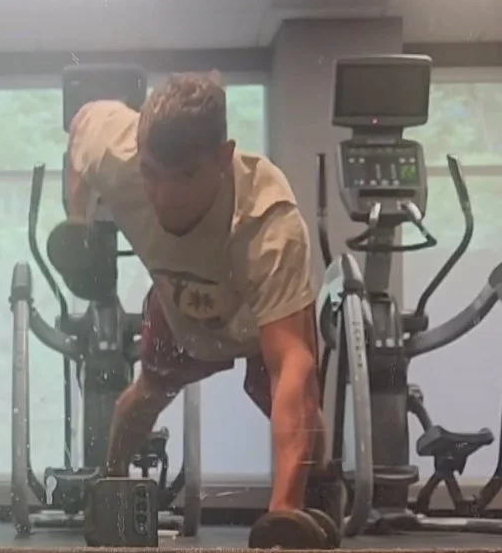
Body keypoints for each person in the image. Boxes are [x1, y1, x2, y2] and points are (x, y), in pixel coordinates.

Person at [62, 72, 342, 528]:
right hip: (181, 305)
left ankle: (320, 489)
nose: (164, 198)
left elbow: (294, 364)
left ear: (223, 157)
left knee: (289, 398)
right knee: (147, 392)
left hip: (254, 319)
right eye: (152, 175)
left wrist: (283, 515)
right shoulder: (118, 154)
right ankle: (109, 488)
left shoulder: (269, 222)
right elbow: (81, 123)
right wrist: (77, 219)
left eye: (185, 176)